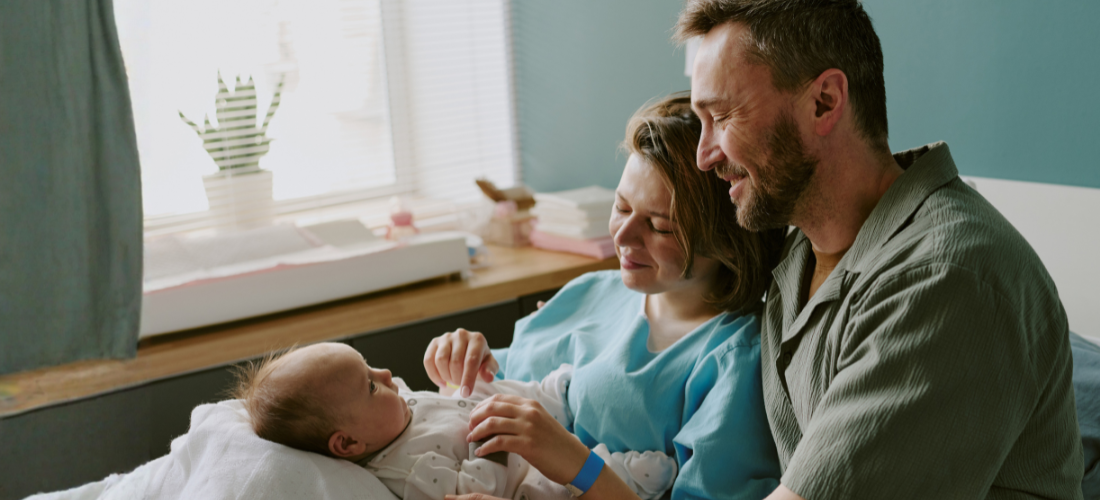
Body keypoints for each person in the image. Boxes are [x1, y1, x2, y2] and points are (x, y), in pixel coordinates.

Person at [675, 1, 1084, 499]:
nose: (704, 154)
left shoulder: (946, 276)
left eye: (721, 115)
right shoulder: (798, 253)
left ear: (824, 102)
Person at [425, 94, 788, 500]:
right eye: (621, 206)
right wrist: (464, 356)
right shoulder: (591, 291)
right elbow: (496, 384)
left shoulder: (732, 361)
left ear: (727, 242)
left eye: (659, 226)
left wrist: (575, 463)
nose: (622, 236)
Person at [232, 342, 678, 500]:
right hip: (529, 480)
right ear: (347, 444)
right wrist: (500, 443)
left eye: (371, 365)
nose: (387, 376)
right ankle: (630, 477)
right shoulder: (407, 473)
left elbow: (448, 401)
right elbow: (472, 488)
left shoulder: (394, 410)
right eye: (370, 385)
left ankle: (551, 395)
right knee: (559, 483)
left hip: (503, 420)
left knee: (479, 393)